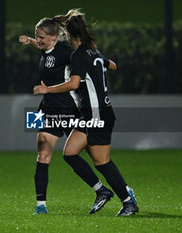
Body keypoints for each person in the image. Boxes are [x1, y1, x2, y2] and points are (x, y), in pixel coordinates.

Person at [34, 9, 139, 216]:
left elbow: (73, 84)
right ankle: (103, 191)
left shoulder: (79, 56)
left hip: (99, 115)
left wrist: (48, 89)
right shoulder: (94, 52)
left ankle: (128, 201)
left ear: (70, 36)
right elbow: (113, 66)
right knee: (70, 153)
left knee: (102, 162)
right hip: (91, 114)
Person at [19, 13, 114, 215]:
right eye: (36, 36)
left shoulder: (66, 52)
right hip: (47, 109)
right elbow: (43, 48)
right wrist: (31, 42)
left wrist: (103, 62)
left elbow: (87, 59)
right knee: (43, 155)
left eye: (41, 37)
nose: (38, 40)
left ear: (54, 37)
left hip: (70, 109)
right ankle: (41, 206)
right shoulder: (46, 49)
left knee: (95, 155)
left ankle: (116, 190)